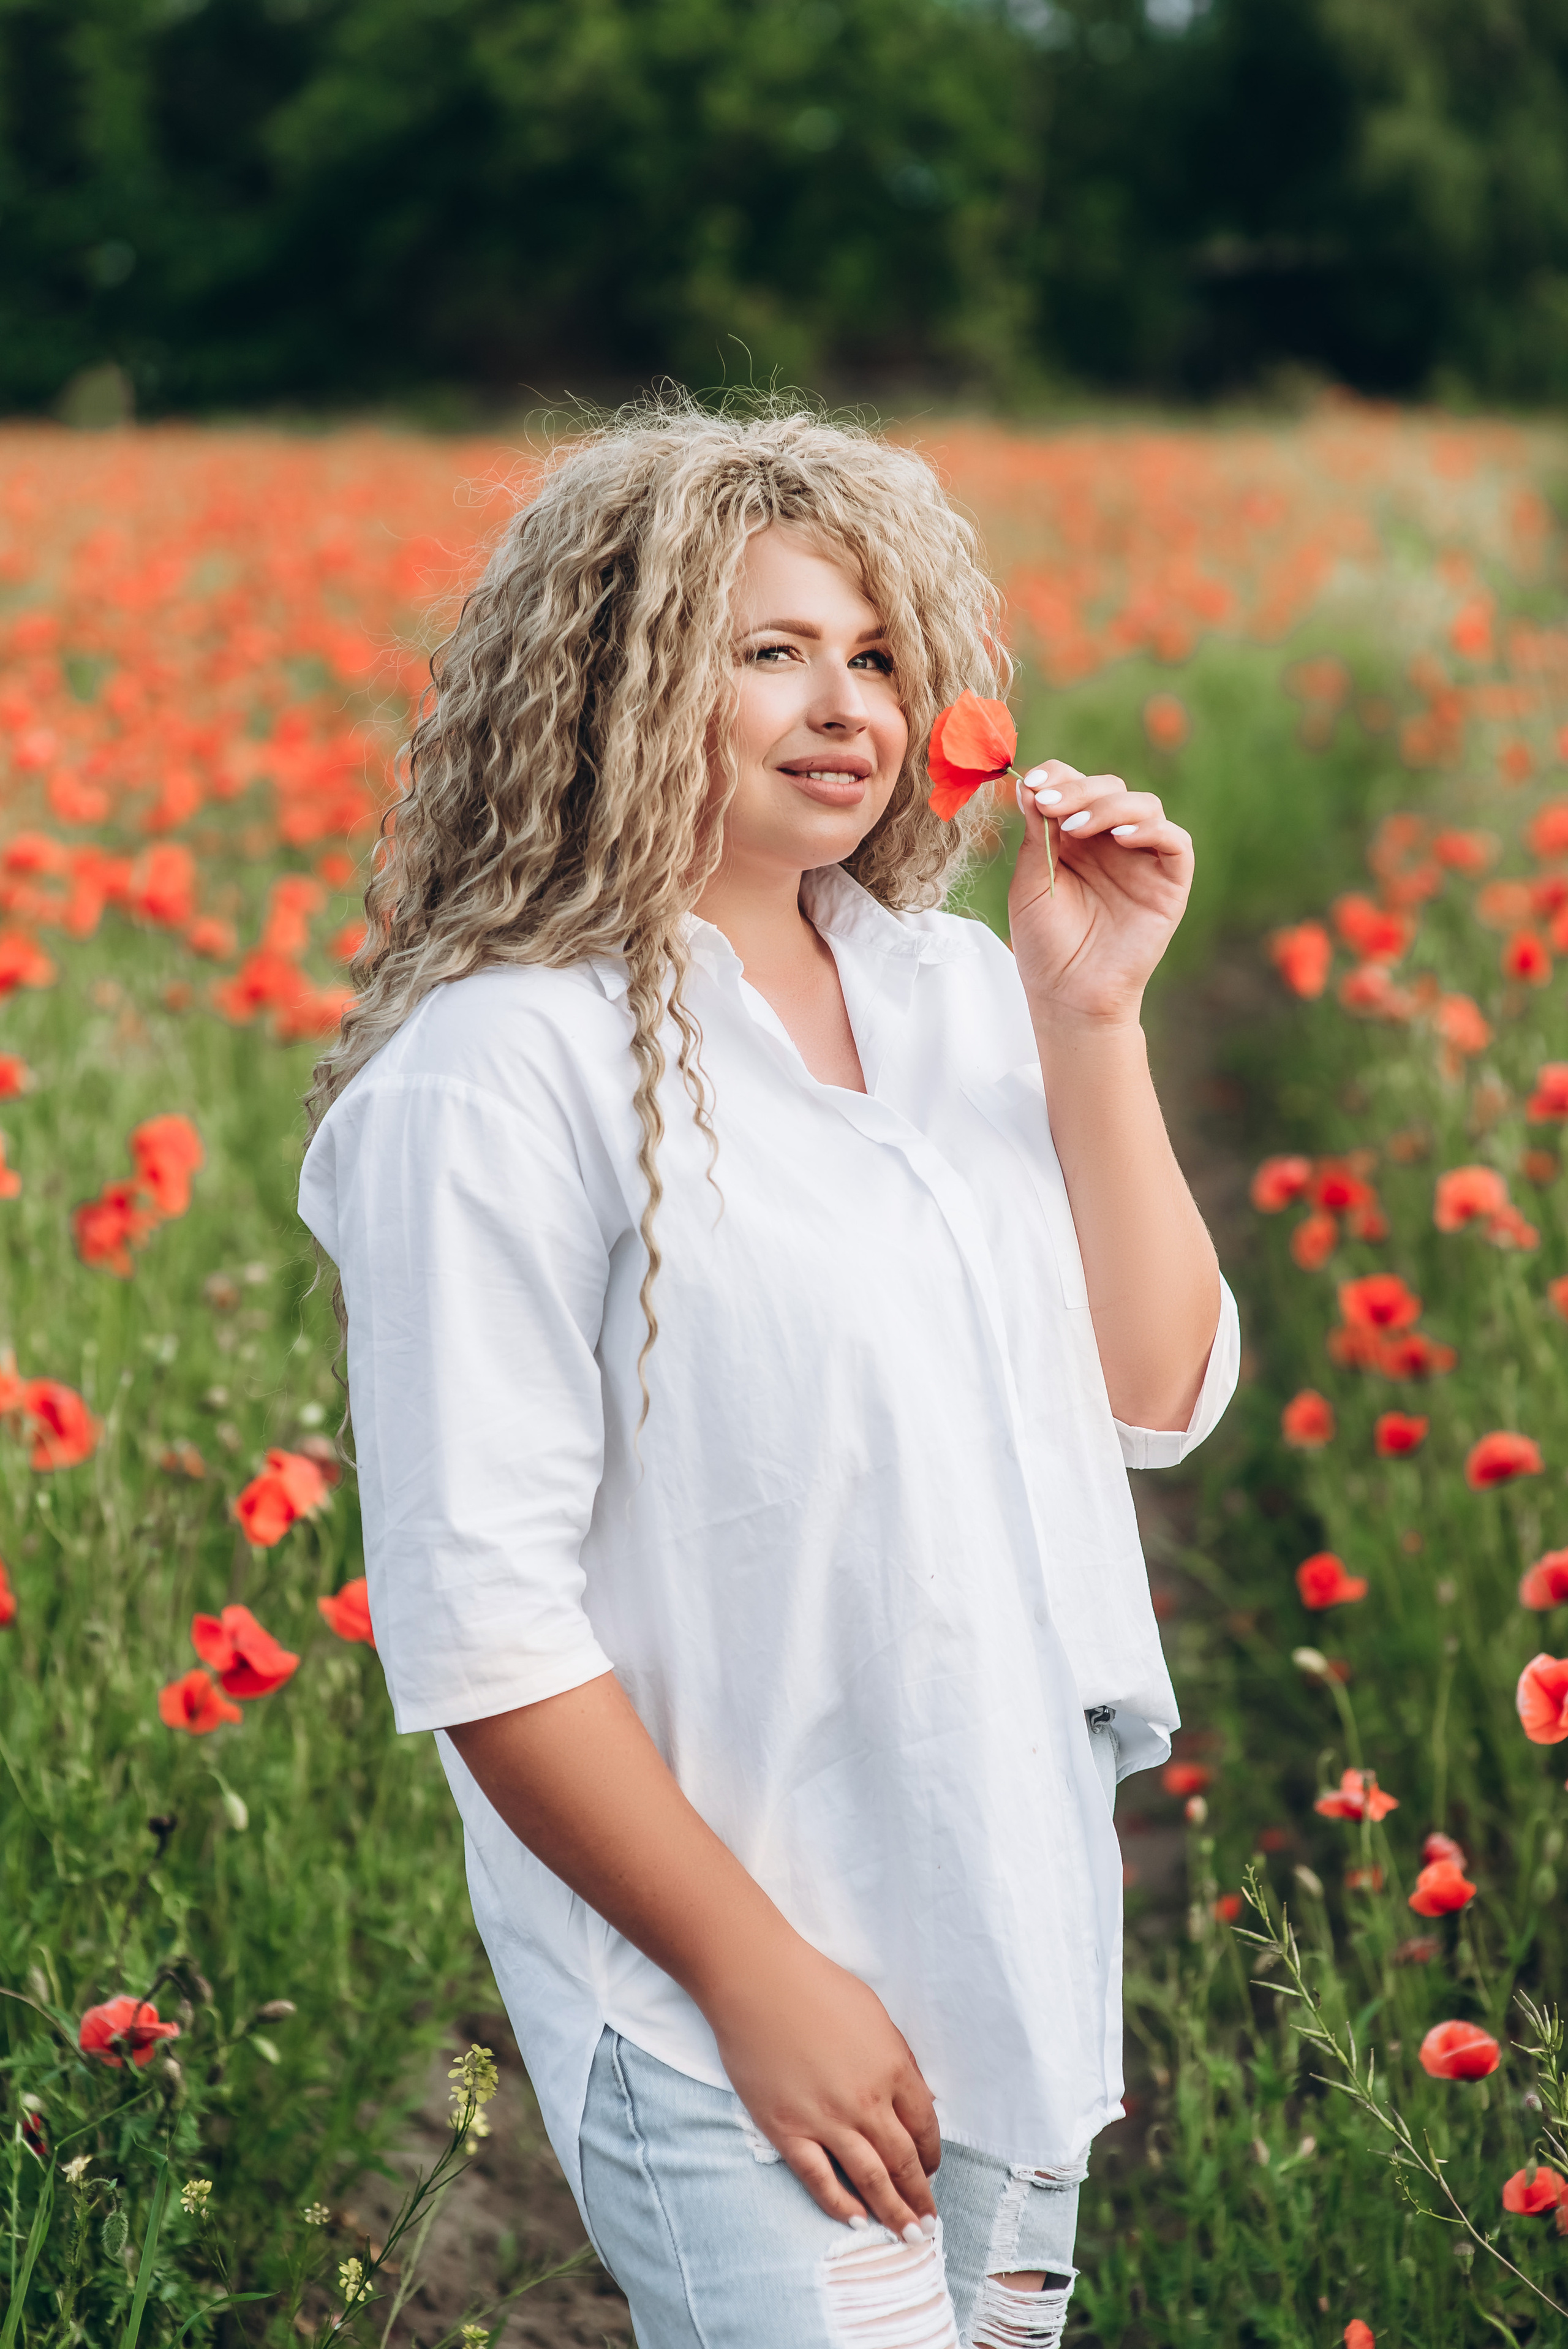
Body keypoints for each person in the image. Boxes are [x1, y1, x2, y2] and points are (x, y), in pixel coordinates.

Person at [300, 400, 1238, 2349]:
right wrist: (756, 1975)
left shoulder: (959, 989)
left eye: (881, 652)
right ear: (618, 686)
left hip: (1006, 1920)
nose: (850, 704)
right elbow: (479, 1622)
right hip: (730, 1982)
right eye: (772, 650)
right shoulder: (498, 1074)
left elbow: (1150, 1396)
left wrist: (1096, 1017)